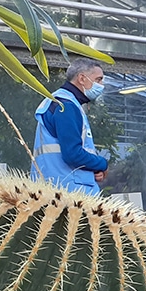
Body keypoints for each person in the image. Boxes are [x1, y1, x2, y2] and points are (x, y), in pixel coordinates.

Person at [30, 58, 109, 195]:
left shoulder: (60, 102)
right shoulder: (66, 106)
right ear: (82, 78)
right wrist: (102, 164)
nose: (101, 85)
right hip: (70, 193)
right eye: (98, 79)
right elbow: (72, 154)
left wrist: (93, 170)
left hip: (53, 189)